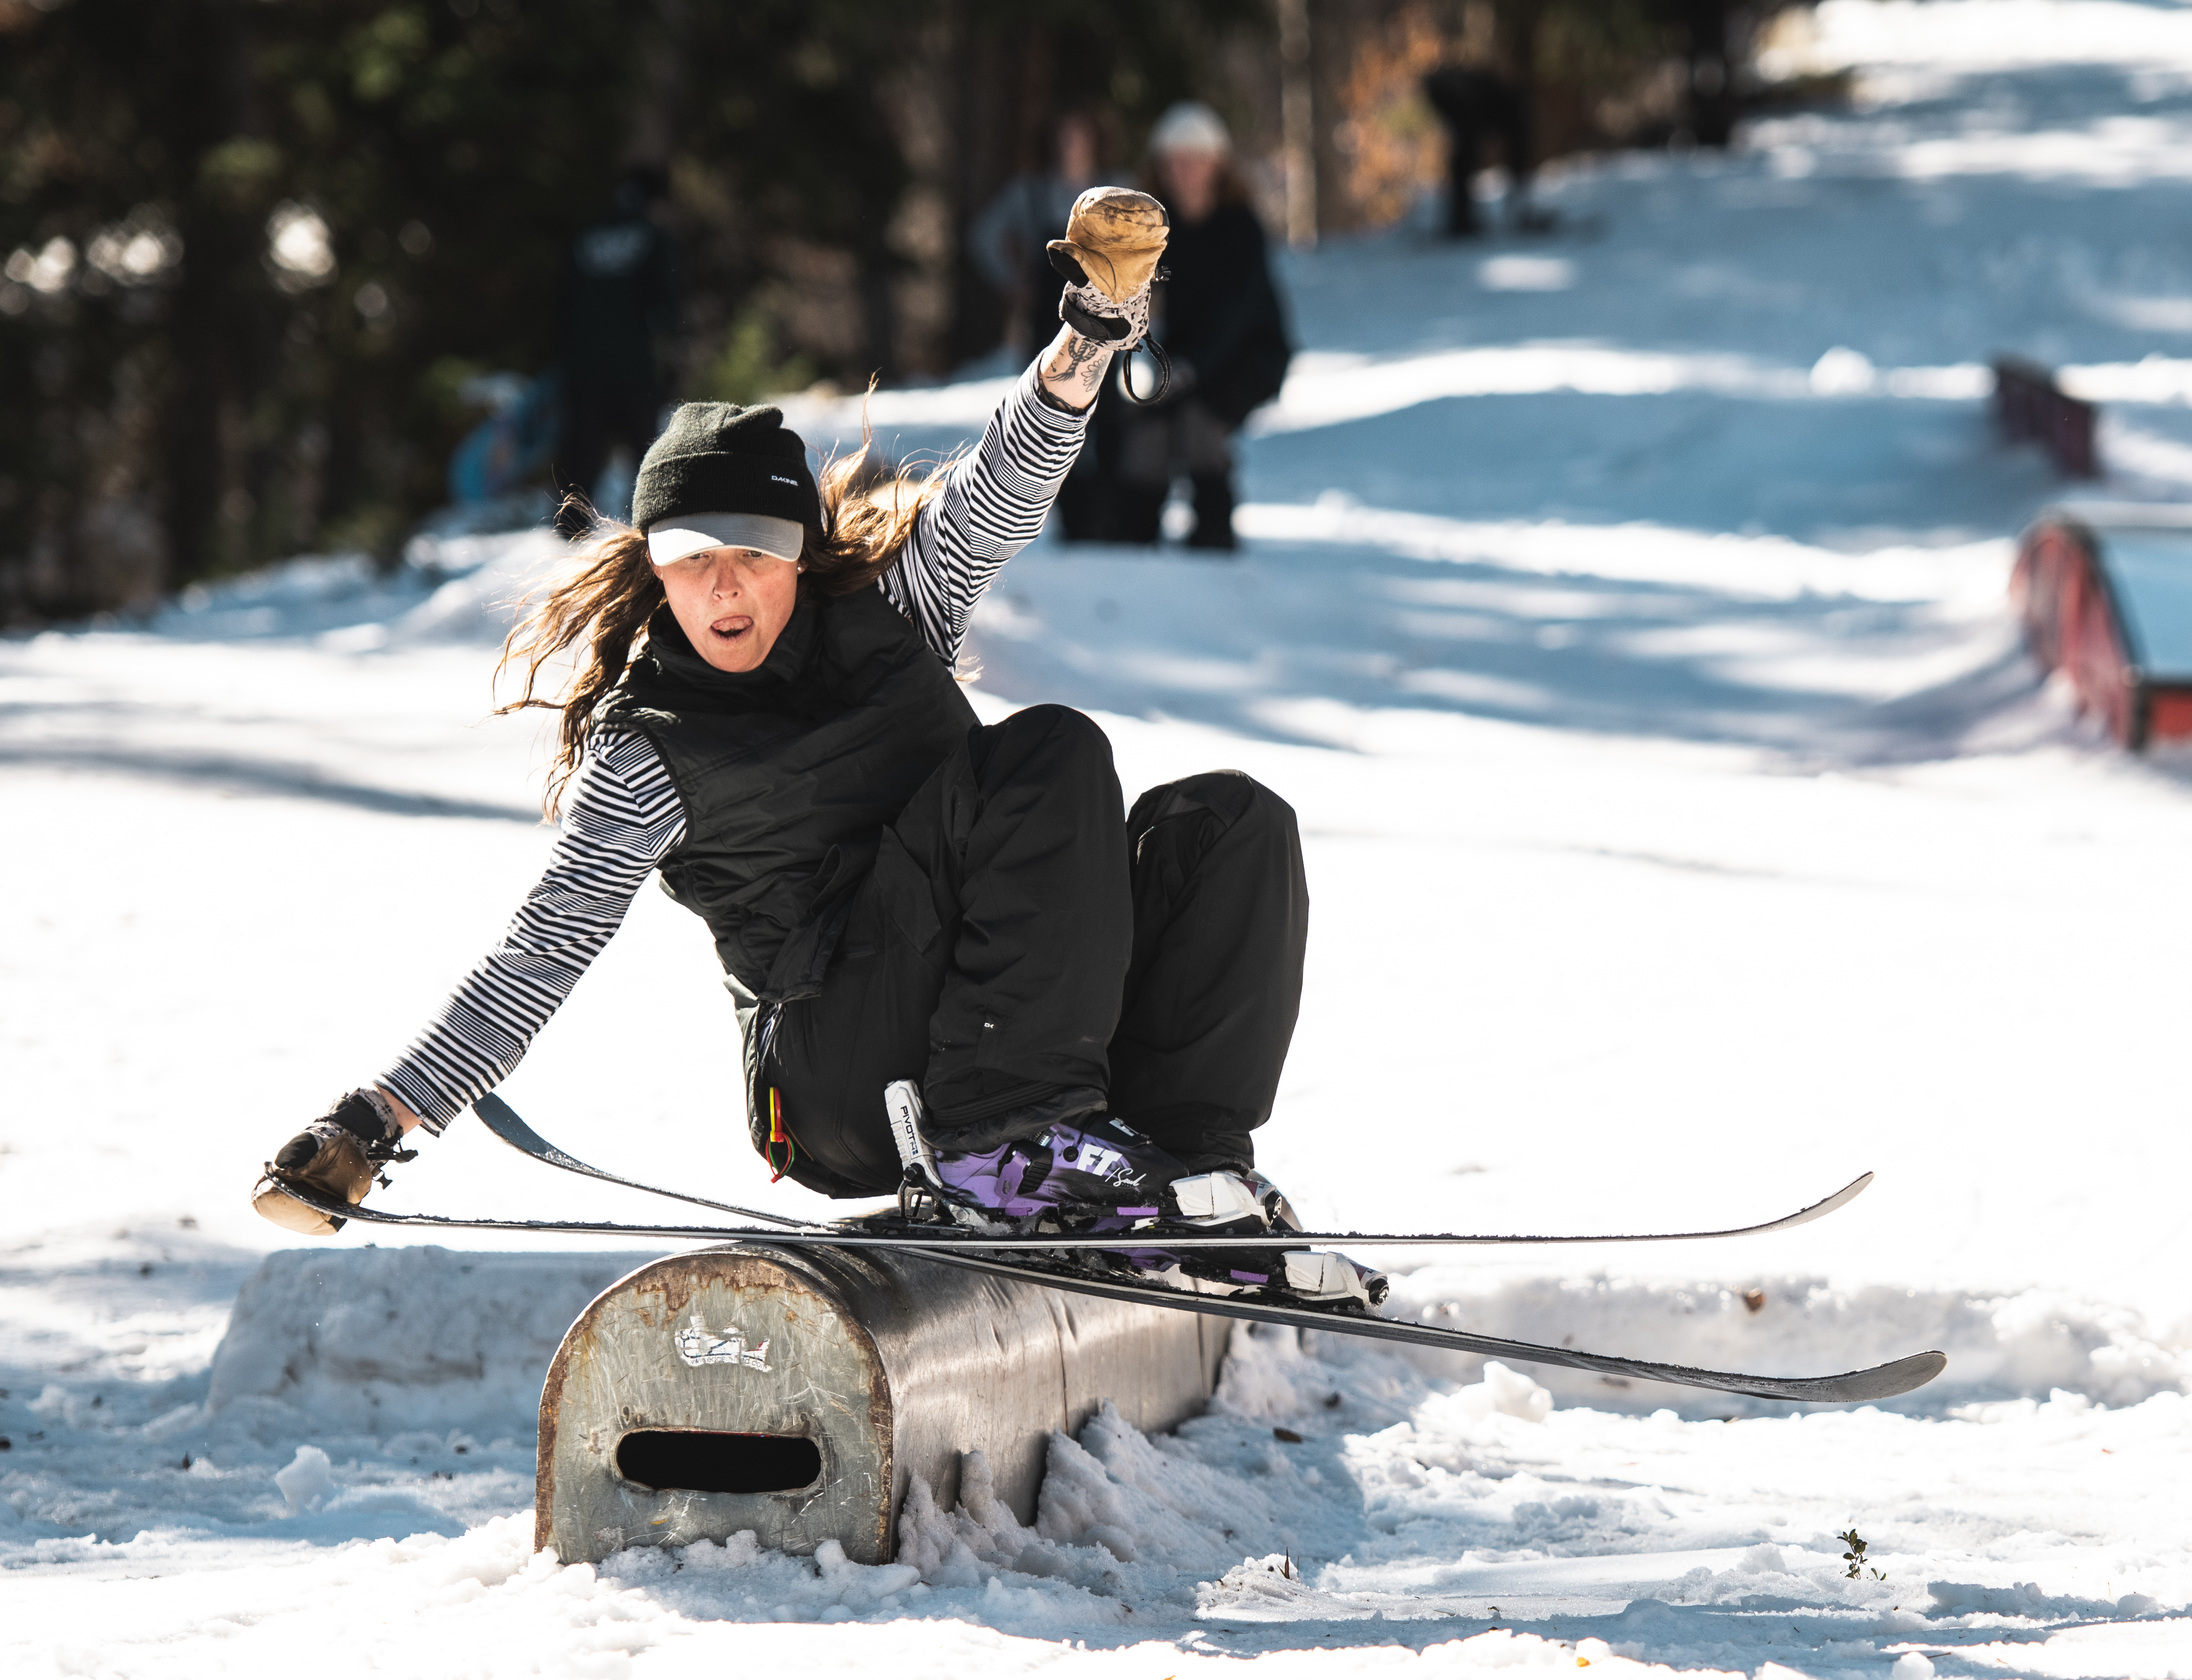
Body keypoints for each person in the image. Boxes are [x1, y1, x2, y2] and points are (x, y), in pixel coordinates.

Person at [252, 225, 1367, 1305]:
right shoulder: (651, 749)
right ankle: (1003, 1153)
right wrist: (374, 1119)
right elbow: (540, 952)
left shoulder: (895, 612)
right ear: (655, 570)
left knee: (1227, 823)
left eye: (754, 555)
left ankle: (1191, 1181)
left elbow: (1002, 488)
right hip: (840, 1078)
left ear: (798, 555)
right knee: (1048, 756)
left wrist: (1086, 341)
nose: (724, 589)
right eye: (693, 564)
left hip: (988, 1023)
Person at [1059, 105, 1294, 554]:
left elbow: (1235, 318)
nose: (1180, 171)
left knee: (1197, 424)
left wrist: (1185, 371)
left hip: (1246, 360)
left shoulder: (1241, 229)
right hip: (1180, 362)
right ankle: (1134, 533)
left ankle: (1213, 534)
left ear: (1217, 164)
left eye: (1192, 160)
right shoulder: (1156, 232)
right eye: (1171, 161)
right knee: (1146, 435)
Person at [554, 167, 681, 522]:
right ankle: (650, 524)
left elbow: (564, 298)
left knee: (582, 451)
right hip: (634, 364)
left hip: (582, 365)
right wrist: (675, 350)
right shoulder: (653, 235)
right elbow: (666, 306)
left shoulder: (587, 231)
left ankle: (571, 530)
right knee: (644, 452)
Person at [966, 113, 1119, 357]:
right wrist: (1011, 282)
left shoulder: (1116, 189)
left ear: (1095, 141)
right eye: (1065, 137)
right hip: (1046, 321)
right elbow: (983, 236)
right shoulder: (1030, 192)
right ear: (1052, 142)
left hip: (1102, 324)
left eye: (1079, 136)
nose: (1072, 145)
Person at [1420, 62, 1540, 239]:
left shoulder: (1485, 97)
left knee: (1466, 156)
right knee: (1464, 158)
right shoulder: (1454, 94)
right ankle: (1461, 219)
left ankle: (1467, 218)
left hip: (1494, 107)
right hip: (1468, 104)